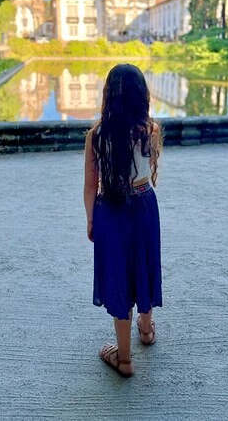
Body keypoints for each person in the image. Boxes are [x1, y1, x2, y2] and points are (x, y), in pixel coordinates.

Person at [84, 64, 163, 377]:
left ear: (108, 95)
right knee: (143, 263)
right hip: (144, 203)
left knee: (119, 275)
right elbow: (149, 169)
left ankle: (124, 358)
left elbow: (91, 185)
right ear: (142, 96)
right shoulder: (151, 130)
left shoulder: (97, 135)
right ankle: (146, 329)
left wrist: (91, 221)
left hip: (111, 207)